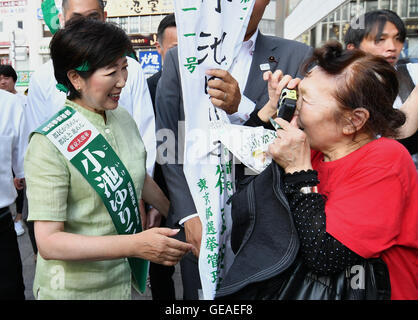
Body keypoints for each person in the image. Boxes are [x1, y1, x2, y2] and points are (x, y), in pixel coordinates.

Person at [24, 17, 194, 300]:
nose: (122, 81)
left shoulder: (122, 118)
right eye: (110, 72)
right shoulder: (49, 143)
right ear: (75, 78)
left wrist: (183, 219)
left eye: (124, 68)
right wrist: (134, 245)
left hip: (121, 283)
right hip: (71, 290)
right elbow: (49, 242)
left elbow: (135, 174)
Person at [155, 0, 312, 299]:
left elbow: (300, 133)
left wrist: (243, 108)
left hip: (266, 220)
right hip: (201, 217)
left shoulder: (296, 56)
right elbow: (168, 139)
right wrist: (188, 215)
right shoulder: (180, 58)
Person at [253, 41, 417, 300]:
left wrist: (298, 172)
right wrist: (271, 110)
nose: (295, 103)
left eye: (304, 99)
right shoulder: (313, 148)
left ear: (354, 120)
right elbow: (246, 176)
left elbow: (325, 255)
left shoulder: (386, 159)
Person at [26, 0, 157, 178]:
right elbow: (36, 133)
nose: (86, 27)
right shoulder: (42, 77)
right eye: (76, 19)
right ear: (62, 20)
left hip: (128, 187)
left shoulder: (131, 69)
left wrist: (140, 187)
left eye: (93, 18)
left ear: (105, 17)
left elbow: (145, 131)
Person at [344, 9, 417, 164]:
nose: (392, 47)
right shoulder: (337, 87)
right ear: (353, 48)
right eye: (380, 40)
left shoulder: (411, 73)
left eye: (398, 39)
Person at [146, 13, 178, 301]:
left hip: (202, 188)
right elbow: (151, 150)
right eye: (174, 50)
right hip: (161, 190)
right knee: (161, 267)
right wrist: (154, 202)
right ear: (159, 48)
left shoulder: (212, 89)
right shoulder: (148, 89)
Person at [0, 89, 27, 300]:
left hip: (1, 219)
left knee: (10, 289)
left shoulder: (10, 103)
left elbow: (22, 163)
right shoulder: (9, 103)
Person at [0, 65, 27, 237]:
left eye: (6, 78)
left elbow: (22, 143)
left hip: (2, 210)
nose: (3, 81)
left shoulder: (13, 102)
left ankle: (18, 218)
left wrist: (21, 171)